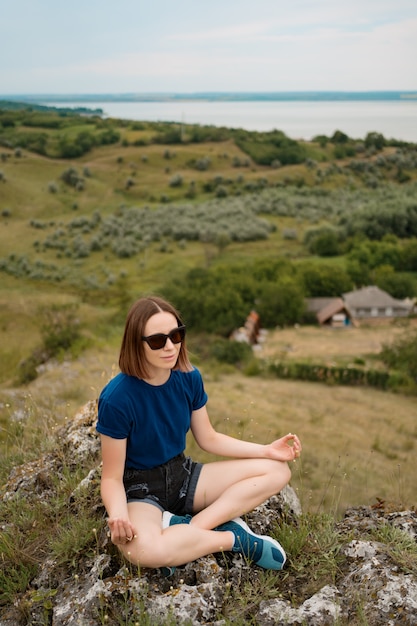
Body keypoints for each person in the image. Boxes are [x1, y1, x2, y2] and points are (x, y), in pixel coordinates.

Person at [97, 295, 302, 574]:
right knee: (142, 550)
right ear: (137, 344)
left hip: (183, 476)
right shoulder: (116, 398)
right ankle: (233, 539)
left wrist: (267, 450)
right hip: (140, 491)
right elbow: (110, 477)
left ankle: (191, 529)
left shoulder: (189, 377)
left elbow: (209, 438)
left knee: (278, 471)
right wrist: (119, 515)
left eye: (176, 335)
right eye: (157, 340)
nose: (170, 346)